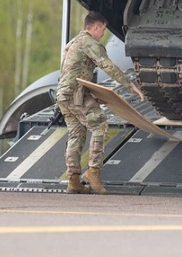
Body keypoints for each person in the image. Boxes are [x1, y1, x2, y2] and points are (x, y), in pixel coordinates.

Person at [56, 11, 145, 194]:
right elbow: (106, 64)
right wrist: (129, 84)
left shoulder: (72, 44)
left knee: (76, 134)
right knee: (100, 124)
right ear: (95, 27)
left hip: (64, 95)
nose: (103, 34)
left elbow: (72, 73)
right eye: (103, 29)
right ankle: (93, 171)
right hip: (75, 94)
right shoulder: (89, 43)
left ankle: (73, 180)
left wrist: (90, 95)